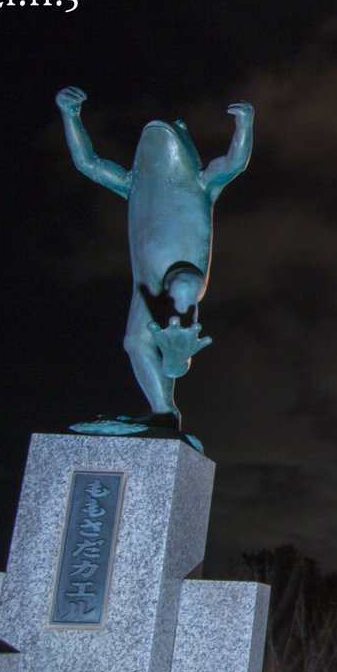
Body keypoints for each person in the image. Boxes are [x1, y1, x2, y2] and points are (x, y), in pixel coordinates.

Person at [56, 86, 253, 430]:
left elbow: (234, 162)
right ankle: (164, 410)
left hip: (183, 272)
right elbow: (87, 163)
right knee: (135, 341)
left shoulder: (201, 181)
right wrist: (70, 115)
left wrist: (244, 124)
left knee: (182, 287)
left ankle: (179, 352)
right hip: (146, 282)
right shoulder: (132, 183)